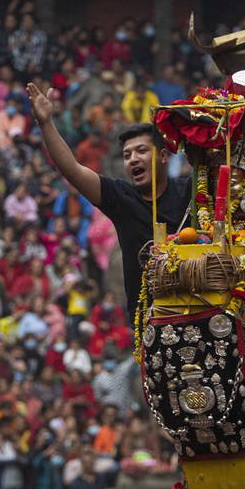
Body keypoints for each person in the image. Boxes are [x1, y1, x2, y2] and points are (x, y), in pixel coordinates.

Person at [27, 81, 189, 323]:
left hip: (196, 310)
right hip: (149, 321)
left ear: (163, 156)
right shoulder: (121, 198)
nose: (133, 159)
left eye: (141, 151)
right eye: (126, 155)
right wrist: (46, 124)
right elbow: (72, 170)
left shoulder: (189, 190)